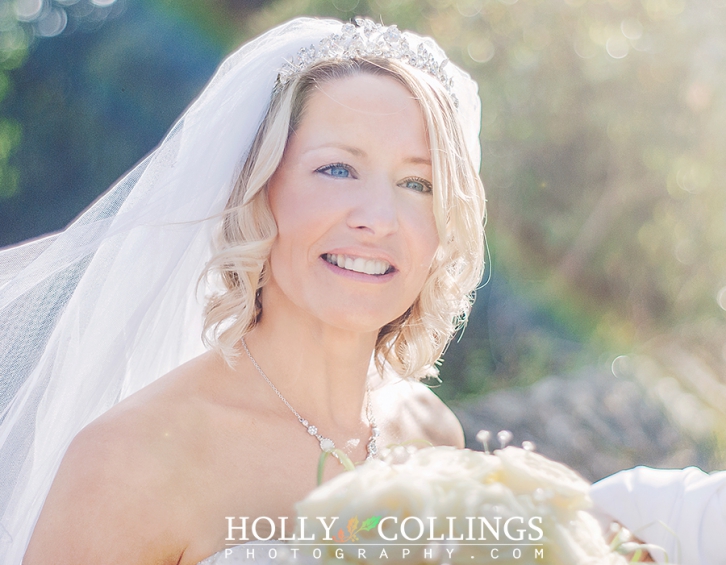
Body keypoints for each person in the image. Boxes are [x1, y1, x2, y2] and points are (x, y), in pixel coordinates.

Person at [0, 17, 484, 565]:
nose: (378, 219)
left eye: (417, 183)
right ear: (257, 190)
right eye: (337, 169)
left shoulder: (432, 433)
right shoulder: (131, 461)